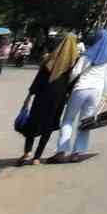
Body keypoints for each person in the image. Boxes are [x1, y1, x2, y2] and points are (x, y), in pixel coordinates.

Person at [52, 27, 107, 163]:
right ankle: (77, 153)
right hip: (96, 92)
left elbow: (75, 72)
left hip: (81, 88)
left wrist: (67, 85)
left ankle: (61, 151)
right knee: (85, 123)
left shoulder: (88, 54)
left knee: (68, 120)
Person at [19, 34, 78, 166]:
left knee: (33, 122)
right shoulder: (73, 63)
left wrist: (28, 97)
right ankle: (37, 157)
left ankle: (27, 152)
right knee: (48, 126)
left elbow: (38, 80)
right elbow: (73, 83)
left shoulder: (49, 59)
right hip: (59, 98)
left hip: (42, 95)